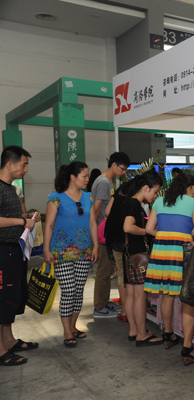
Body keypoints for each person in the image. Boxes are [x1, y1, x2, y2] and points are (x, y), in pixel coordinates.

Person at [144, 174, 194, 359]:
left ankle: (168, 334)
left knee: (167, 294)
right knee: (187, 299)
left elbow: (149, 229)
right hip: (182, 252)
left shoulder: (160, 201)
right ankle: (187, 348)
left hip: (161, 252)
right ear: (191, 188)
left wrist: (165, 236)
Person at [43, 162, 99, 347]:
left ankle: (73, 326)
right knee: (69, 290)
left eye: (88, 176)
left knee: (79, 290)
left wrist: (96, 246)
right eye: (84, 176)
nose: (87, 179)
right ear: (73, 177)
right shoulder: (55, 198)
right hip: (61, 252)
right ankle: (67, 331)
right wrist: (46, 250)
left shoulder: (89, 197)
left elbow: (92, 223)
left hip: (84, 251)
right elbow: (48, 225)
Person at [0, 146, 40, 366]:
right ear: (10, 164)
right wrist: (22, 221)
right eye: (24, 164)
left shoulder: (11, 189)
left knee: (11, 297)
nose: (26, 169)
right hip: (2, 250)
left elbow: (11, 216)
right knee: (2, 297)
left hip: (14, 249)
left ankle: (8, 340)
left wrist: (28, 217)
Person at [123, 174, 163, 347]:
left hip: (130, 254)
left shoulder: (129, 202)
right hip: (137, 254)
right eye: (155, 191)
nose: (155, 195)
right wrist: (146, 231)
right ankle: (141, 334)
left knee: (132, 294)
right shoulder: (134, 204)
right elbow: (128, 227)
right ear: (146, 188)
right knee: (140, 295)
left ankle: (134, 330)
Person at [92, 152, 130, 318]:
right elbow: (96, 209)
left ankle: (104, 301)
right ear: (114, 165)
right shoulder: (103, 182)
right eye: (122, 169)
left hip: (107, 233)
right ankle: (99, 307)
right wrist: (94, 234)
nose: (124, 172)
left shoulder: (108, 182)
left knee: (108, 270)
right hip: (102, 234)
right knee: (103, 271)